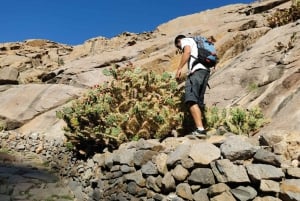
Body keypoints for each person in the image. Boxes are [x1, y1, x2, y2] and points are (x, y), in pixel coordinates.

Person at [174, 35, 211, 137]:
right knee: (198, 101)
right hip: (205, 71)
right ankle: (202, 127)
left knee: (191, 99)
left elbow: (187, 52)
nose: (179, 49)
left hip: (196, 71)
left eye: (178, 47)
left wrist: (179, 68)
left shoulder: (185, 40)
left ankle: (200, 129)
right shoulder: (197, 43)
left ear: (179, 42)